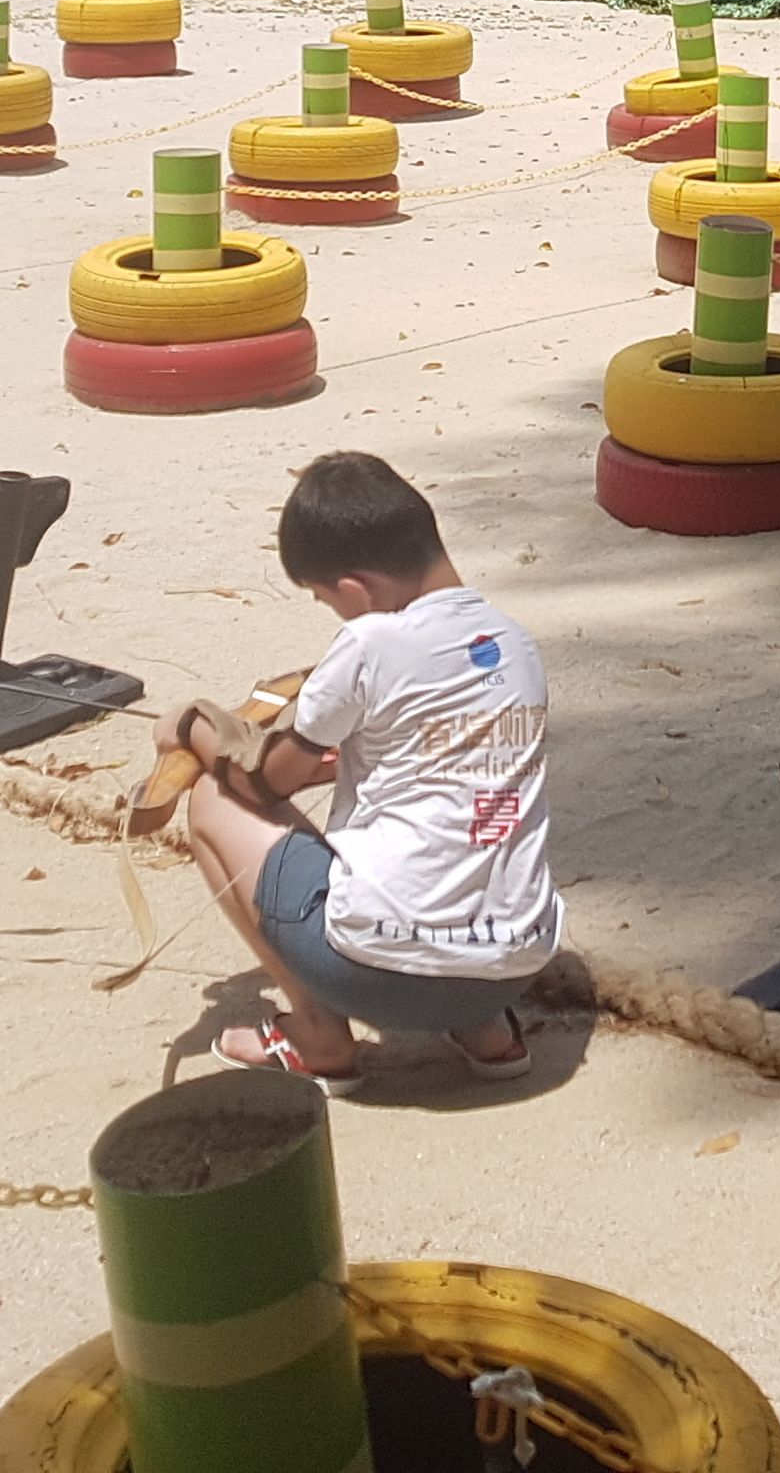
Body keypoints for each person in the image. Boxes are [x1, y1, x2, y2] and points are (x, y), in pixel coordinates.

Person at [170, 452, 563, 1084]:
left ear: (356, 589)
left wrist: (191, 725)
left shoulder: (370, 639)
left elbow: (267, 779)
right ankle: (486, 1033)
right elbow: (428, 757)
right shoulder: (514, 642)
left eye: (330, 601)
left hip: (377, 974)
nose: (338, 614)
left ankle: (319, 1036)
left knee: (215, 799)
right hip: (509, 971)